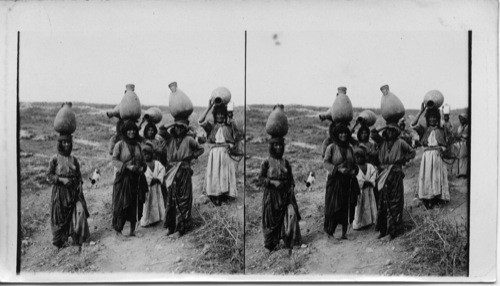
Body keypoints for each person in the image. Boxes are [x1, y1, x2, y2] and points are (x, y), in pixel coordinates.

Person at [371, 122, 415, 240]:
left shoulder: (400, 142)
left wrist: (402, 160)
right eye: (388, 130)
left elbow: (412, 152)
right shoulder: (382, 142)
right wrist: (386, 125)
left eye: (392, 130)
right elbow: (373, 133)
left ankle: (392, 232)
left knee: (395, 203)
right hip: (383, 175)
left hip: (395, 174)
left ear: (396, 132)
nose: (390, 132)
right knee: (382, 202)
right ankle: (382, 230)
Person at [162, 121, 204, 238]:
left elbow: (200, 149)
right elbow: (161, 130)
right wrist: (172, 123)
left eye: (181, 128)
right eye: (176, 128)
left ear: (184, 129)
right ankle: (171, 227)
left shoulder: (188, 139)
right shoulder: (170, 139)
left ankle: (181, 229)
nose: (178, 130)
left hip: (184, 171)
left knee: (184, 200)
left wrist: (191, 157)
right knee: (171, 199)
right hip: (171, 172)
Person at [47, 134, 90, 248]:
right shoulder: (54, 159)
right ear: (60, 144)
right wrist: (61, 179)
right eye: (64, 142)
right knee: (59, 218)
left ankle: (78, 238)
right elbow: (49, 176)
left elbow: (79, 175)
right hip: (60, 194)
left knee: (79, 211)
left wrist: (78, 184)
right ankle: (60, 242)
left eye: (68, 142)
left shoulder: (74, 160)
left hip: (73, 193)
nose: (66, 144)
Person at [259, 138, 301, 252]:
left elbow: (291, 179)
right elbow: (261, 179)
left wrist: (288, 186)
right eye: (276, 145)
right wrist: (272, 182)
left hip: (285, 195)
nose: (278, 147)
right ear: (271, 147)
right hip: (271, 197)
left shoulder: (286, 162)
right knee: (270, 221)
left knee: (289, 215)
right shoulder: (266, 162)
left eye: (280, 145)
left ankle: (289, 240)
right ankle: (271, 244)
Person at [112, 120, 148, 238]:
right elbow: (114, 160)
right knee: (122, 203)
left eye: (134, 130)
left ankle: (133, 230)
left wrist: (143, 168)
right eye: (129, 130)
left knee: (135, 203)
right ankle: (118, 230)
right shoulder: (120, 145)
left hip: (136, 179)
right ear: (125, 131)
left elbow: (143, 161)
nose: (131, 132)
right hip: (123, 179)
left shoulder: (138, 145)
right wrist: (127, 167)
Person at [323, 124, 360, 240]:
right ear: (337, 134)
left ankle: (344, 233)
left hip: (347, 182)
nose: (343, 135)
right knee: (333, 206)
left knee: (346, 206)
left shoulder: (349, 149)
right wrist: (338, 170)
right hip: (335, 182)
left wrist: (354, 170)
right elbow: (326, 163)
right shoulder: (331, 148)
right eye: (341, 133)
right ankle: (330, 233)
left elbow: (354, 163)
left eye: (345, 133)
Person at [411, 104, 450, 209]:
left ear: (437, 118)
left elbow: (446, 144)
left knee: (436, 178)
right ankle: (428, 199)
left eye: (434, 117)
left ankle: (436, 198)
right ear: (427, 118)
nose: (432, 119)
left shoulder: (441, 130)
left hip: (437, 157)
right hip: (427, 158)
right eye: (430, 117)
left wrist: (442, 149)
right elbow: (413, 124)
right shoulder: (424, 130)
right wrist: (421, 111)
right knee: (428, 177)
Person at [199, 103, 238, 206]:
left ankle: (225, 195)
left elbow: (237, 136)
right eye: (218, 114)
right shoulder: (211, 126)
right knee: (215, 173)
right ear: (215, 115)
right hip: (214, 155)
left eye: (222, 114)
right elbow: (201, 121)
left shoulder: (229, 127)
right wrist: (209, 106)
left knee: (224, 174)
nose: (220, 116)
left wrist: (231, 118)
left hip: (226, 154)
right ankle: (215, 196)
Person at [140, 143, 166, 227]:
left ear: (152, 154)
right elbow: (143, 175)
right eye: (144, 155)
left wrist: (158, 178)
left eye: (148, 154)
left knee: (158, 201)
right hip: (147, 187)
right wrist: (150, 180)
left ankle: (158, 218)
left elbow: (162, 170)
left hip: (157, 187)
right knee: (147, 203)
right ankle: (146, 220)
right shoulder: (142, 165)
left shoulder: (157, 163)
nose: (146, 156)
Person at [352, 146, 378, 230]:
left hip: (369, 190)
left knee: (370, 205)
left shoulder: (370, 166)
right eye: (357, 157)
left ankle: (370, 221)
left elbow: (374, 174)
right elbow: (355, 178)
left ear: (364, 157)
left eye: (360, 157)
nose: (359, 159)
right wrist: (363, 182)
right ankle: (359, 224)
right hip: (360, 191)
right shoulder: (355, 168)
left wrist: (370, 181)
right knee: (360, 206)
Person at [454, 113, 469, 178]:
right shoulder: (460, 127)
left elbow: (466, 135)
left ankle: (464, 173)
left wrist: (461, 136)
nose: (461, 120)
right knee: (459, 157)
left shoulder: (467, 127)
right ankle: (460, 172)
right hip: (460, 143)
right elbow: (457, 134)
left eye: (463, 119)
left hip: (465, 143)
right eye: (460, 119)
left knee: (464, 157)